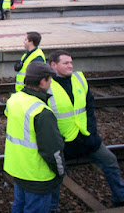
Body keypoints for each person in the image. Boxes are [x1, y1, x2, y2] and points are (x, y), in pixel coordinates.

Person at [48, 50, 124, 209]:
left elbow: (89, 106)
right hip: (62, 141)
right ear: (53, 65)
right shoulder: (47, 85)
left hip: (86, 136)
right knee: (54, 176)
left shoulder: (79, 79)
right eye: (66, 63)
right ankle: (51, 208)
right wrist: (56, 141)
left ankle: (120, 198)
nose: (70, 66)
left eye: (71, 62)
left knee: (110, 161)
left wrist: (91, 130)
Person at [4, 61, 65, 213]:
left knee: (19, 205)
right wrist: (60, 170)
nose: (51, 83)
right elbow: (52, 149)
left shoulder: (14, 99)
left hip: (18, 168)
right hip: (37, 175)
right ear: (43, 81)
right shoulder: (42, 112)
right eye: (50, 79)